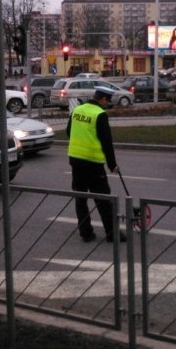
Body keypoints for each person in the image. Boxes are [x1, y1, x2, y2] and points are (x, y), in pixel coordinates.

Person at [66, 86, 126, 243]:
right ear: (103, 99)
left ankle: (86, 233)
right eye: (108, 101)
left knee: (81, 198)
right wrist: (112, 165)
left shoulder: (77, 110)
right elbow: (107, 142)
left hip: (76, 161)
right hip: (93, 163)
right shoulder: (100, 114)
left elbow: (68, 132)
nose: (108, 104)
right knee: (104, 200)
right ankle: (112, 234)